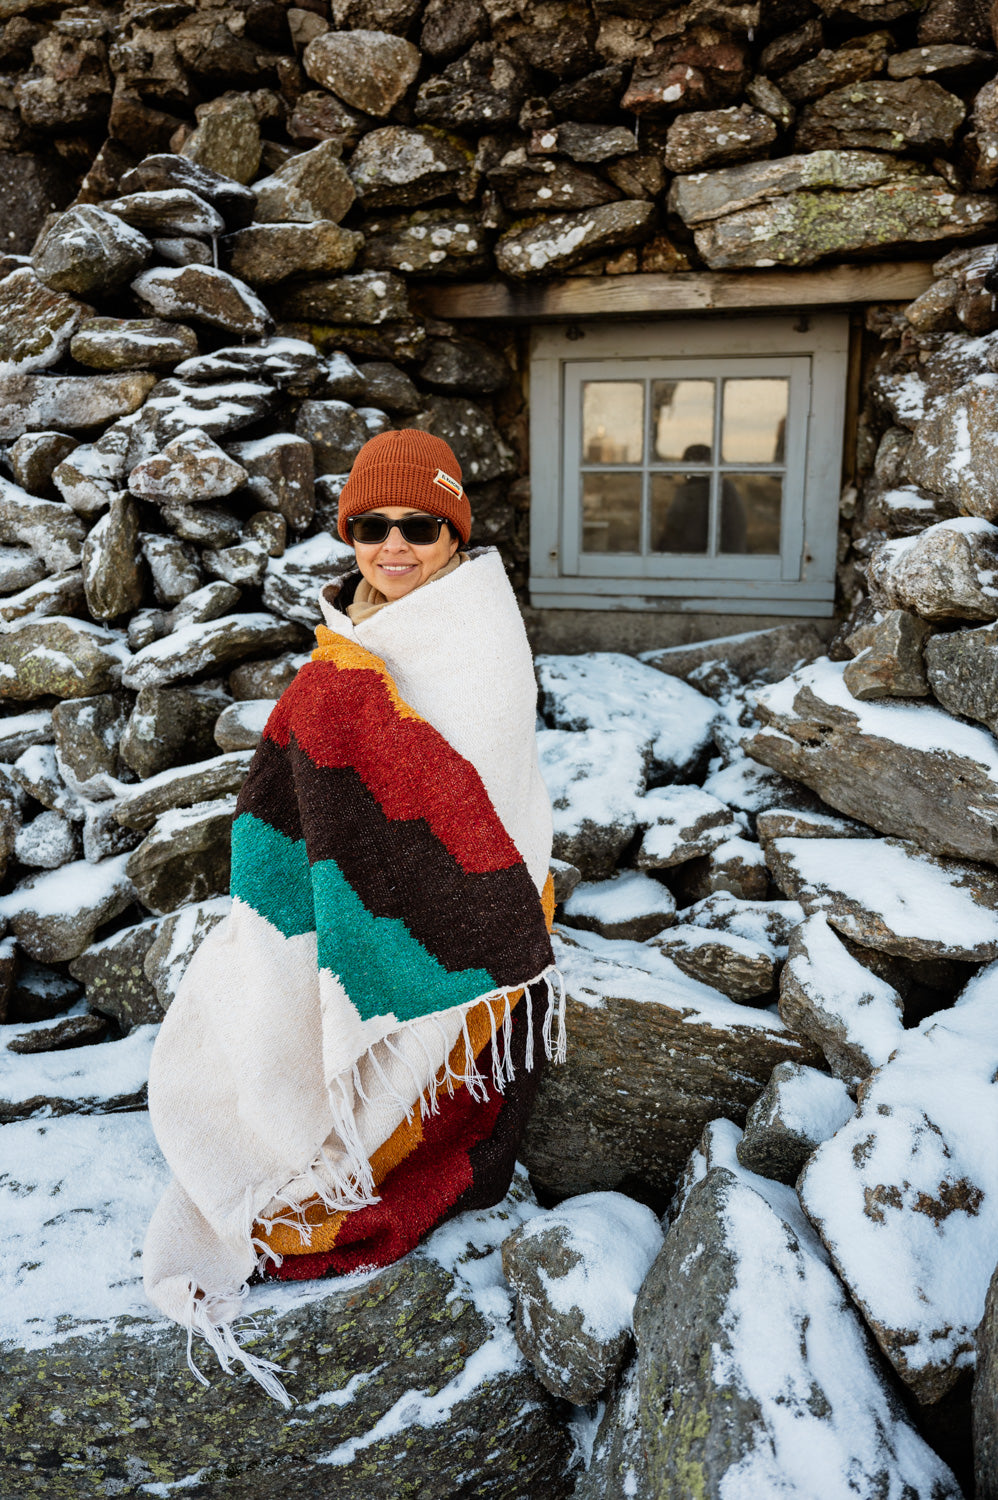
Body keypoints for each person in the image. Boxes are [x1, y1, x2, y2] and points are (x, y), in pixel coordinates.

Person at [142, 428, 562, 1403]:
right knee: (250, 992)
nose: (394, 545)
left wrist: (336, 714)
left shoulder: (477, 640)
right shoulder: (355, 641)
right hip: (359, 892)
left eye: (419, 524)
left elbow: (482, 804)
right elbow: (314, 781)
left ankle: (365, 1113)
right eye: (371, 526)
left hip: (470, 910)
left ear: (454, 531)